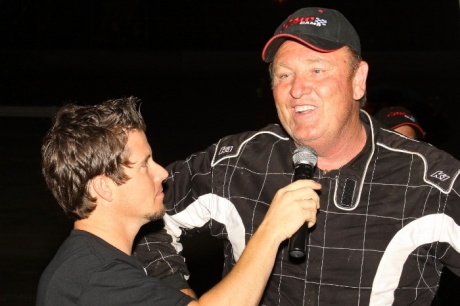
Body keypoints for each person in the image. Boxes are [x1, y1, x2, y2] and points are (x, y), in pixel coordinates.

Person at [133, 7, 460, 305]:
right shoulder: (236, 163)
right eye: (284, 74)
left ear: (358, 81)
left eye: (317, 70)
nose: (297, 89)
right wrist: (177, 296)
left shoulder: (431, 182)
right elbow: (131, 210)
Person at [36, 97, 321, 306]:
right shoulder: (96, 277)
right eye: (144, 164)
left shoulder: (93, 263)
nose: (162, 172)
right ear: (104, 187)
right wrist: (271, 231)